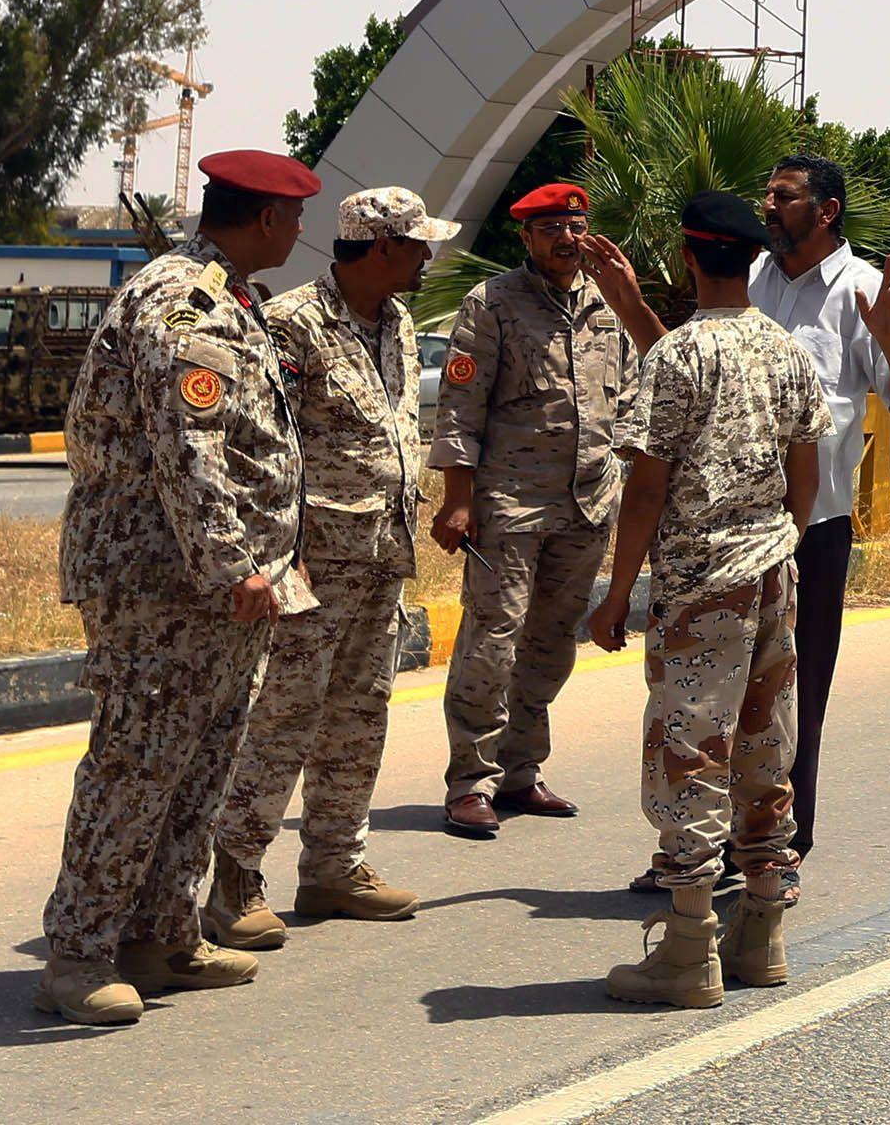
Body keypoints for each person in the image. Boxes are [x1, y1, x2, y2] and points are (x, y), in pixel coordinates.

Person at [35, 150, 319, 1028]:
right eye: (294, 217)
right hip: (164, 584)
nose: (301, 232)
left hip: (214, 586)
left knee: (199, 763)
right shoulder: (184, 303)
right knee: (137, 761)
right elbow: (188, 449)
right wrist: (233, 564)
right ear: (267, 220)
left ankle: (162, 933)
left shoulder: (231, 296)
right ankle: (79, 954)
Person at [588, 190, 827, 1008]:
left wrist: (617, 594)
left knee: (690, 753)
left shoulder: (677, 357)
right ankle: (761, 934)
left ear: (690, 257)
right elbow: (807, 474)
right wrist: (780, 546)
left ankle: (690, 949)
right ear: (752, 259)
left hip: (701, 587)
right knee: (765, 747)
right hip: (773, 576)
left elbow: (646, 489)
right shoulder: (786, 350)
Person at [207, 187, 454, 951]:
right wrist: (270, 555)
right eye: (418, 245)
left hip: (380, 555)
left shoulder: (399, 322)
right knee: (283, 717)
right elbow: (253, 445)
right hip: (309, 562)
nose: (428, 257)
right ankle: (235, 879)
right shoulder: (293, 327)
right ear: (381, 247)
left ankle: (334, 866)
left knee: (359, 715)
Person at [430, 180, 662, 840]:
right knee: (492, 642)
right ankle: (468, 783)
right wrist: (457, 498)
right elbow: (460, 409)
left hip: (587, 503)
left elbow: (638, 397)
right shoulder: (493, 304)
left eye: (576, 224)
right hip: (509, 503)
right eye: (552, 227)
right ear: (527, 237)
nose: (568, 238)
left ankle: (520, 772)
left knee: (553, 645)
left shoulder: (606, 306)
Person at [746, 155, 890, 878]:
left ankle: (783, 842)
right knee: (719, 688)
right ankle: (704, 845)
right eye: (767, 193)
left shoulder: (862, 293)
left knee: (796, 690)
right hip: (731, 526)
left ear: (825, 211)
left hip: (812, 531)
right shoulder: (749, 285)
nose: (768, 206)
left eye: (783, 195)